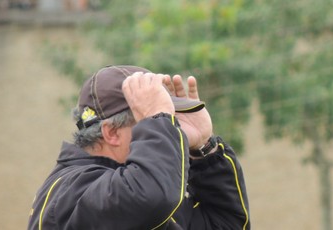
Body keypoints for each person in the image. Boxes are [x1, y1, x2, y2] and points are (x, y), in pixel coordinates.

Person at [27, 65, 250, 230]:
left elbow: (226, 224)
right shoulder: (70, 193)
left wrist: (203, 148)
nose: (170, 130)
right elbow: (150, 197)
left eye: (169, 120)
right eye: (149, 120)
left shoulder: (150, 186)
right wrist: (159, 119)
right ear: (112, 133)